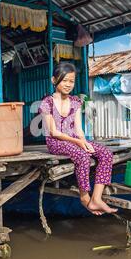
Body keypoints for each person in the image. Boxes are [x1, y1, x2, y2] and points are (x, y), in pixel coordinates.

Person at [38, 62, 117, 215]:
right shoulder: (47, 103)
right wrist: (79, 143)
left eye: (71, 81)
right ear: (54, 80)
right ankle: (84, 196)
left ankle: (96, 198)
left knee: (106, 153)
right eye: (64, 80)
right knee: (82, 156)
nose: (68, 84)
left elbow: (79, 129)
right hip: (56, 143)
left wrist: (85, 142)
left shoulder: (75, 101)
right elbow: (53, 132)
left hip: (75, 139)